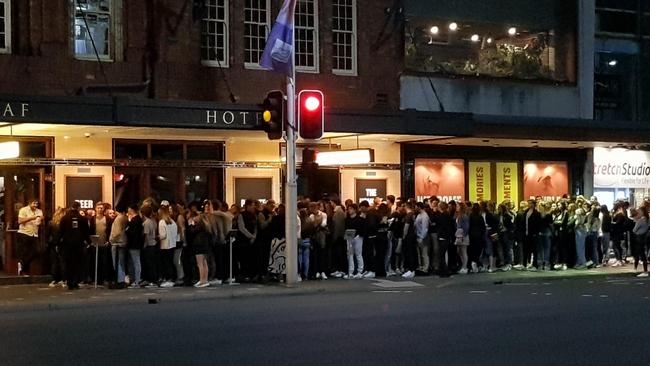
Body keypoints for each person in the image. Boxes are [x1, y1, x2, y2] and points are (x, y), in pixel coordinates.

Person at [58, 202, 90, 290]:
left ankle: (69, 282)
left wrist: (58, 243)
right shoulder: (82, 218)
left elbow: (60, 231)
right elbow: (86, 232)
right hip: (78, 244)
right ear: (78, 208)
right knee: (77, 263)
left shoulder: (64, 218)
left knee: (68, 263)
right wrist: (89, 242)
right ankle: (75, 282)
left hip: (67, 244)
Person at [16, 198, 43, 275]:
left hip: (34, 234)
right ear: (30, 203)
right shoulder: (23, 210)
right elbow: (20, 221)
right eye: (34, 203)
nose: (35, 205)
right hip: (24, 233)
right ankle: (25, 271)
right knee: (25, 252)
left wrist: (40, 220)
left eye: (37, 204)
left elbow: (40, 219)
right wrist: (32, 218)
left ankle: (22, 265)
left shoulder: (39, 211)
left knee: (37, 251)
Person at [158, 201, 178, 288]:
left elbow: (163, 235)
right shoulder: (172, 221)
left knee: (166, 263)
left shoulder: (162, 222)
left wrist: (157, 237)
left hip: (165, 245)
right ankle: (172, 278)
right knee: (170, 262)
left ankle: (168, 279)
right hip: (172, 244)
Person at [45, 207, 66, 287]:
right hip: (63, 244)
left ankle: (55, 279)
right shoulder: (64, 223)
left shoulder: (51, 223)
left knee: (54, 262)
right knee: (63, 262)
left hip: (53, 244)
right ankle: (64, 279)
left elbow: (47, 234)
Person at [109, 204, 128, 287]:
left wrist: (111, 239)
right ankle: (122, 278)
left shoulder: (118, 219)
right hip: (124, 241)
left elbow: (116, 232)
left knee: (117, 262)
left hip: (117, 243)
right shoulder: (125, 218)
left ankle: (119, 280)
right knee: (122, 262)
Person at [344, 204, 365, 279]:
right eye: (348, 209)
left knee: (358, 254)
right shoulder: (347, 219)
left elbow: (362, 229)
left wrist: (359, 235)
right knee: (350, 255)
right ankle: (351, 271)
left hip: (358, 237)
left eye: (351, 209)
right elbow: (346, 228)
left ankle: (360, 271)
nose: (349, 210)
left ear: (355, 210)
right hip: (349, 238)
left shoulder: (360, 219)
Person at [125, 204, 144, 288]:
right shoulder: (137, 219)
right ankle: (134, 279)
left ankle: (137, 280)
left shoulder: (135, 220)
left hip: (134, 244)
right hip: (135, 243)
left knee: (136, 262)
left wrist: (127, 230)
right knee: (134, 262)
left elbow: (132, 232)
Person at [141, 205, 158, 287]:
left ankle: (152, 280)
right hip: (153, 243)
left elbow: (146, 235)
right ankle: (152, 279)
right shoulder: (152, 221)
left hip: (149, 245)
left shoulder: (146, 222)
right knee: (152, 263)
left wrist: (144, 245)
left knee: (150, 264)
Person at [632, 206, 649, 277]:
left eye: (639, 211)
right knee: (641, 253)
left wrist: (636, 220)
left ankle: (644, 271)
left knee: (640, 254)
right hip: (644, 237)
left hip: (639, 237)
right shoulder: (647, 219)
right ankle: (638, 269)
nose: (638, 213)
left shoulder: (641, 220)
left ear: (642, 212)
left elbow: (634, 230)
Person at [455, 202, 470, 274]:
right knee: (459, 251)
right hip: (458, 235)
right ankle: (463, 266)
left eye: (457, 206)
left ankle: (465, 267)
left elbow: (466, 227)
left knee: (463, 251)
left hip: (463, 235)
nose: (456, 207)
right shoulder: (459, 215)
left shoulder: (464, 216)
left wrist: (464, 235)